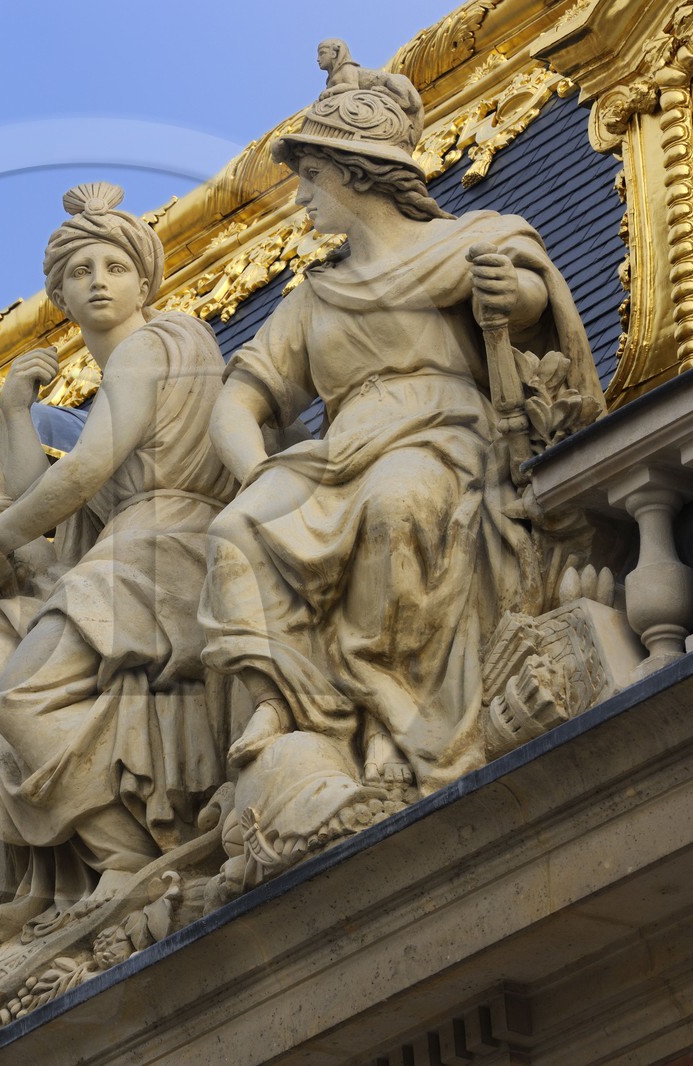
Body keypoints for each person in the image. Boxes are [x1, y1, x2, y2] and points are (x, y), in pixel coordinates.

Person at [200, 65, 602, 797]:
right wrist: (258, 470)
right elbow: (239, 399)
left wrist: (514, 294)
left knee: (397, 504)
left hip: (439, 434)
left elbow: (537, 309)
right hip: (339, 449)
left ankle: (399, 718)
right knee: (235, 531)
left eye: (312, 177)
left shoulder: (470, 241)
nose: (300, 197)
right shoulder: (314, 297)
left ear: (357, 176)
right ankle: (287, 701)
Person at [0, 182, 236, 914]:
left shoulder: (150, 348)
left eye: (112, 267)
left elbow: (91, 466)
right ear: (61, 299)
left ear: (144, 281)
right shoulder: (122, 375)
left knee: (23, 696)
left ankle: (122, 857)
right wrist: (11, 409)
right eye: (80, 273)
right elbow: (52, 501)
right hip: (127, 552)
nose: (98, 282)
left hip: (164, 549)